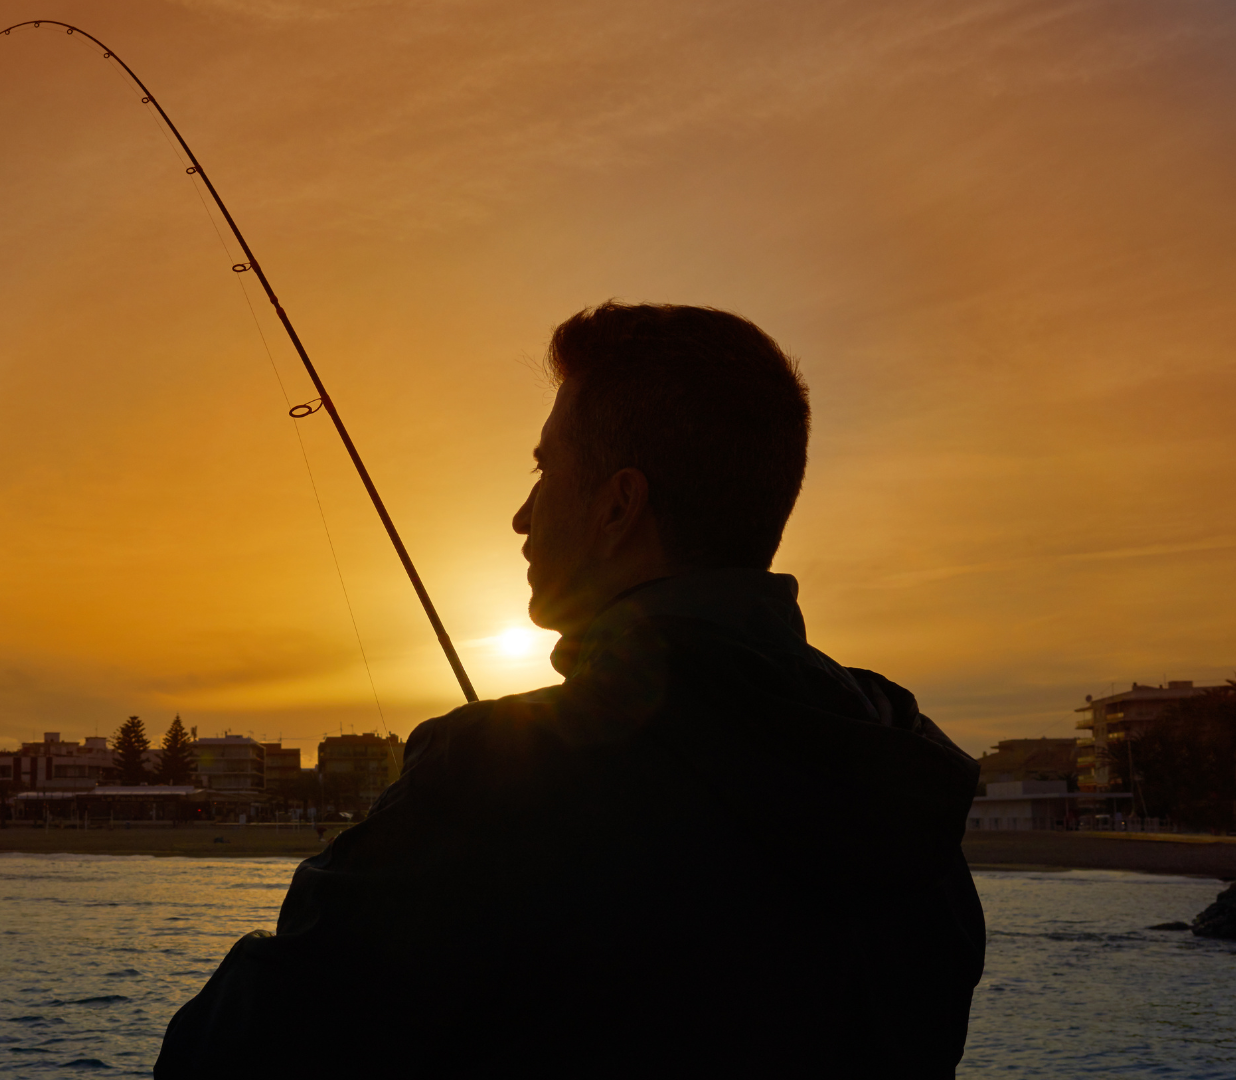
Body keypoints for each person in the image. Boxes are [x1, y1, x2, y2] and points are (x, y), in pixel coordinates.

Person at [155, 303, 984, 1078]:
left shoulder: (493, 776)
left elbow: (231, 1055)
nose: (522, 516)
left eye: (544, 469)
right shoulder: (907, 776)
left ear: (618, 505)